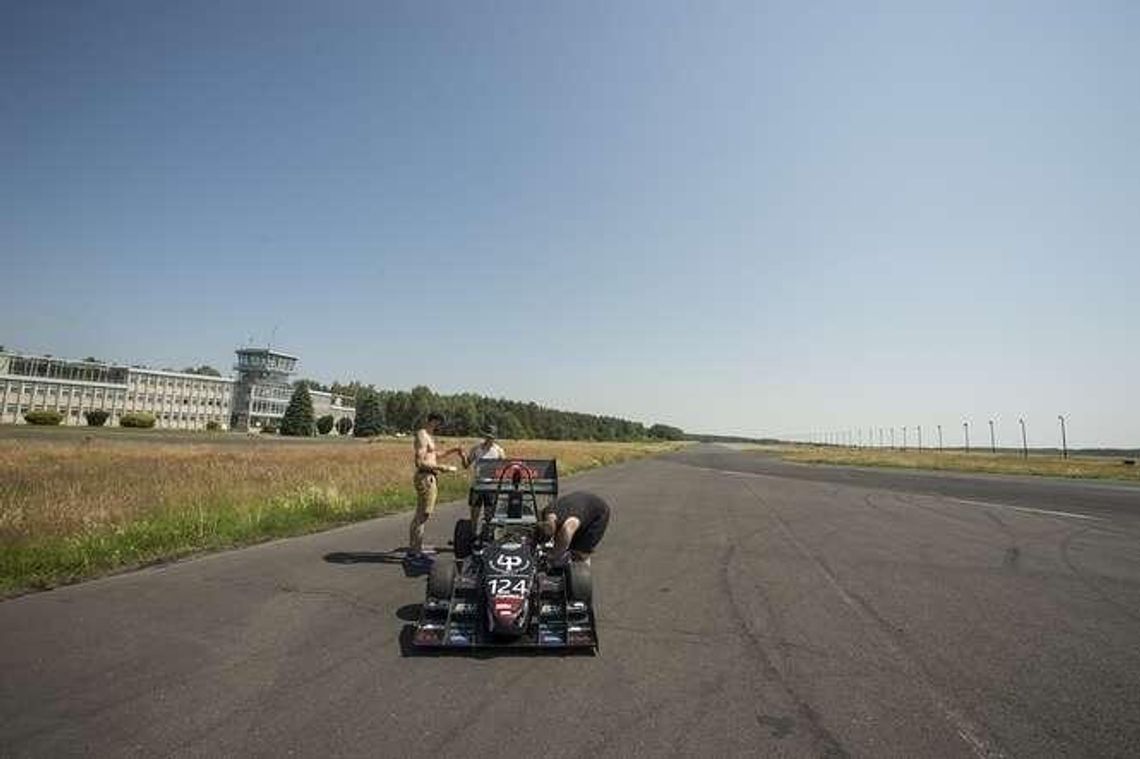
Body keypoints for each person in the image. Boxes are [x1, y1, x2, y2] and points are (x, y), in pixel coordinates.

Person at [407, 412, 456, 562]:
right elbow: (420, 462)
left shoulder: (428, 436)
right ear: (432, 421)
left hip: (429, 477)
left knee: (422, 515)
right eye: (438, 423)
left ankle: (416, 547)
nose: (439, 427)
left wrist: (452, 451)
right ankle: (415, 552)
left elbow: (433, 455)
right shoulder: (422, 435)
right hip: (425, 477)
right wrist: (442, 467)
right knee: (423, 515)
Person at [539, 491, 611, 567]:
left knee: (579, 554)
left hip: (598, 514)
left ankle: (582, 569)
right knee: (562, 543)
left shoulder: (569, 524)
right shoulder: (547, 512)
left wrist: (553, 556)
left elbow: (566, 531)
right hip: (579, 504)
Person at [453, 425, 505, 527]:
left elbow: (502, 469)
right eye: (487, 436)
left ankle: (487, 536)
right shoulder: (476, 449)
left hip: (491, 486)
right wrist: (462, 456)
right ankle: (472, 535)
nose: (489, 439)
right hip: (477, 485)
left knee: (489, 514)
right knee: (474, 514)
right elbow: (466, 465)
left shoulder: (499, 451)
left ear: (495, 437)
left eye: (491, 437)